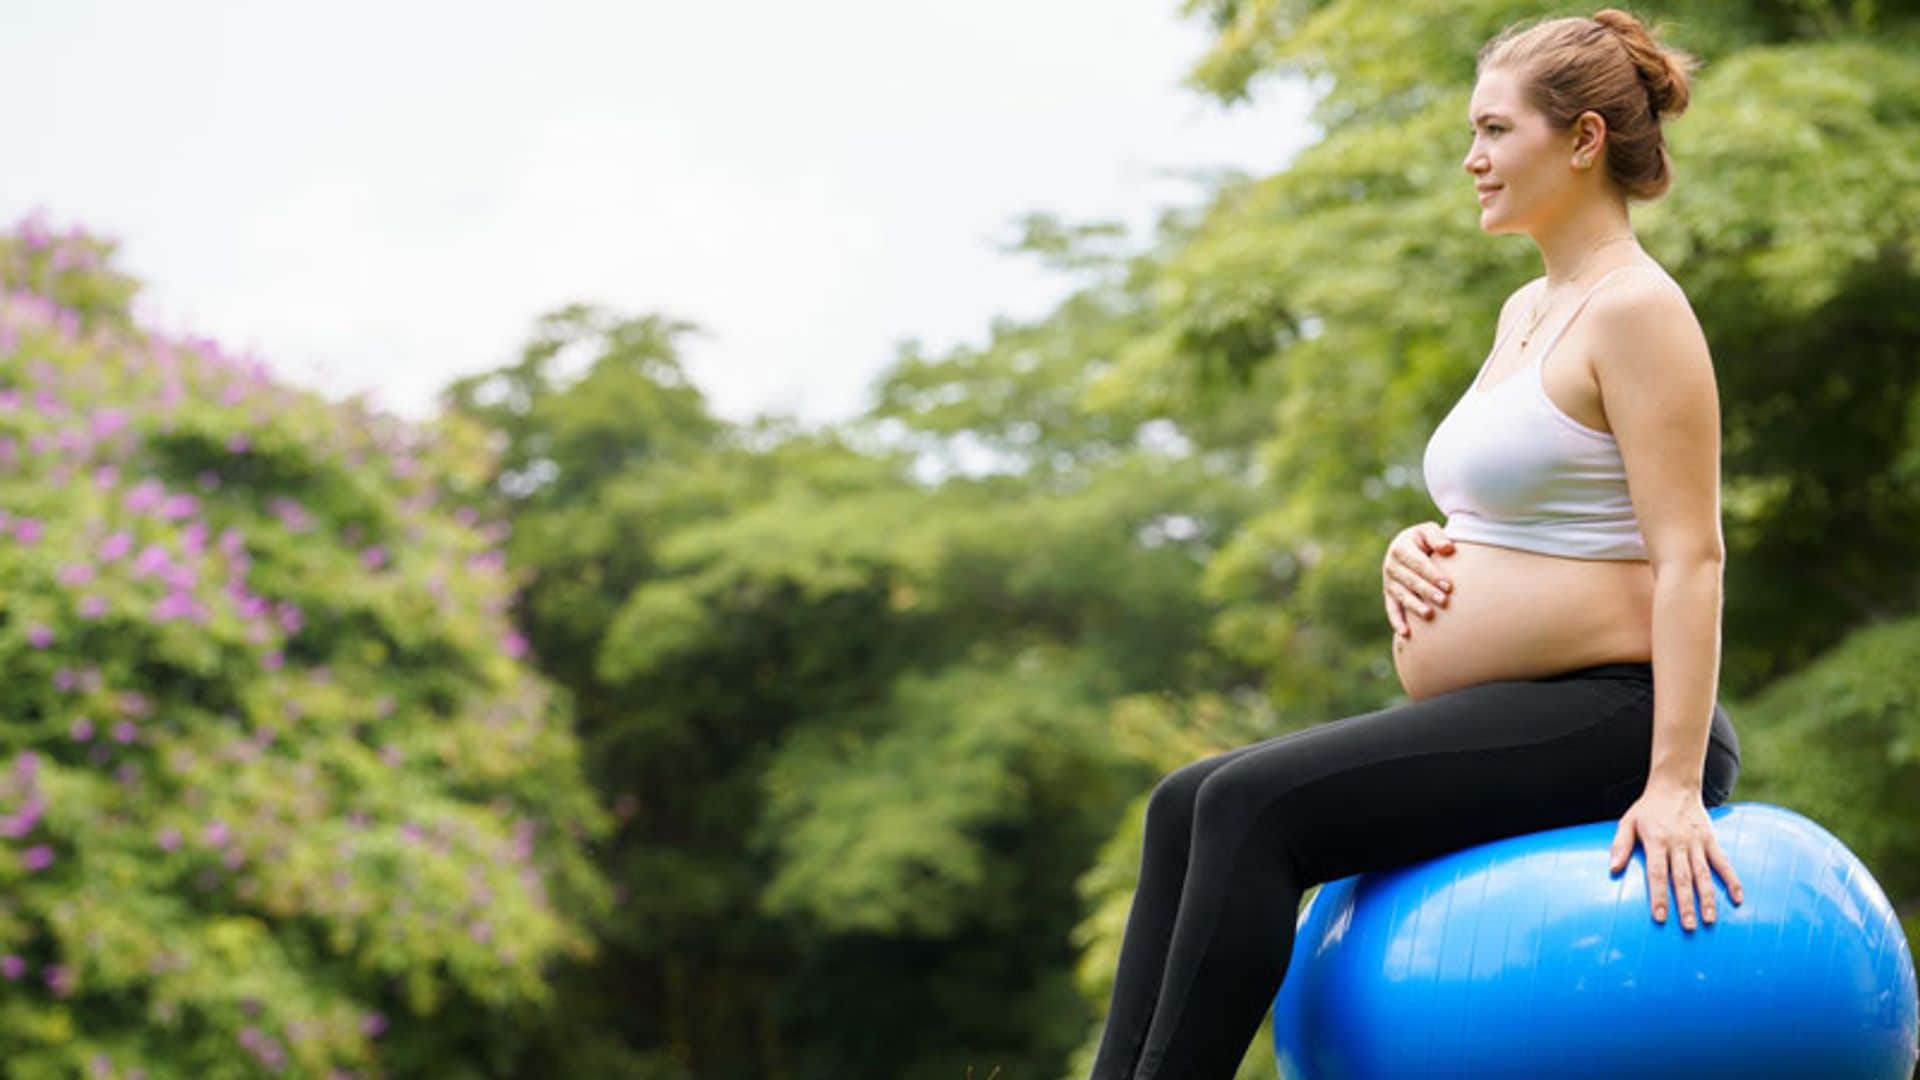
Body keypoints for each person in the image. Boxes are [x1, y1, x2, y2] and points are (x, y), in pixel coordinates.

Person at [1088, 9, 1745, 1078]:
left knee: (1254, 809)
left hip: (1620, 716)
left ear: (1581, 140)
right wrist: (1423, 544)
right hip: (1534, 702)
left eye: (1494, 130)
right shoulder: (1530, 308)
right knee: (1184, 802)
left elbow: (1691, 556)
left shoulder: (1638, 310)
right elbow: (1522, 506)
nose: (1470, 158)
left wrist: (1670, 784)